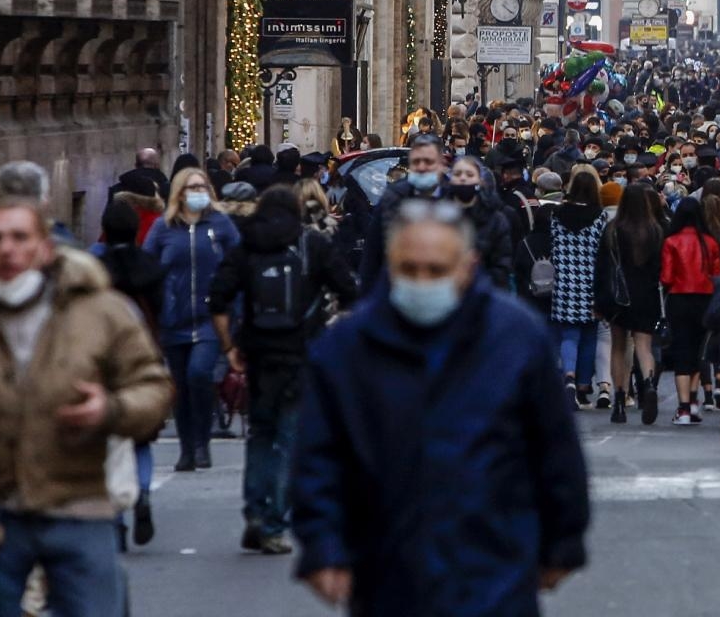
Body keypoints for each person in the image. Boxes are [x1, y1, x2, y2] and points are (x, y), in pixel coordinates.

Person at [291, 200, 589, 616]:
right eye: (409, 269)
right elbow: (318, 455)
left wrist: (563, 540)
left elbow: (554, 445)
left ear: (468, 265)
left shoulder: (516, 339)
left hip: (494, 565)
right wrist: (322, 546)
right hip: (387, 570)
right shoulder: (348, 349)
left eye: (436, 270)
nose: (422, 282)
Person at [0, 197, 173, 617]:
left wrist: (112, 409)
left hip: (79, 504)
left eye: (20, 237)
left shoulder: (99, 313)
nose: (7, 248)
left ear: (46, 248)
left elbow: (152, 388)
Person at [209, 186, 358, 555]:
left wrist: (229, 347)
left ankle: (255, 511)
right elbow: (350, 290)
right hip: (302, 354)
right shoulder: (311, 245)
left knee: (260, 434)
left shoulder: (247, 245)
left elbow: (218, 298)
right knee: (290, 441)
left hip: (257, 354)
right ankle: (275, 521)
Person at [143, 167, 241, 471]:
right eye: (192, 187)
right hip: (175, 319)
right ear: (180, 193)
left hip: (211, 319)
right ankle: (187, 447)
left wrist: (234, 307)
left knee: (200, 374)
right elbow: (149, 268)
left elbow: (238, 265)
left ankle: (202, 442)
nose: (199, 192)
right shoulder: (163, 228)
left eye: (203, 187)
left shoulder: (221, 224)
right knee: (181, 384)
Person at [90, 199, 167, 549]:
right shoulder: (150, 266)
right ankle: (145, 494)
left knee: (111, 438)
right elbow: (164, 310)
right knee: (142, 435)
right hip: (143, 356)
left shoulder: (94, 269)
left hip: (103, 360)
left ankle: (116, 519)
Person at [595, 182, 664, 423]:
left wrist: (598, 300)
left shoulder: (613, 230)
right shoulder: (654, 230)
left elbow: (602, 267)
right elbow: (659, 268)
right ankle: (649, 384)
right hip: (646, 294)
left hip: (618, 296)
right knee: (644, 346)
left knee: (618, 346)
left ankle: (620, 400)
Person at [660, 197, 720, 426]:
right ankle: (694, 402)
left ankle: (683, 407)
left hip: (679, 298)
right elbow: (718, 275)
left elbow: (666, 276)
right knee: (699, 351)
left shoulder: (671, 241)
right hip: (705, 298)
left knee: (682, 351)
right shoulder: (710, 242)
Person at [359, 134, 449, 290]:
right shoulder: (393, 198)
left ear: (441, 164)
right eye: (416, 162)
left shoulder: (454, 198)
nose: (422, 167)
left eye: (428, 162)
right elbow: (373, 254)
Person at [550, 171, 608, 407]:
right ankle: (584, 385)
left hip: (563, 280)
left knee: (569, 334)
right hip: (590, 279)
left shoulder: (556, 214)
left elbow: (552, 242)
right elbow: (602, 251)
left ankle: (569, 376)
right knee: (590, 334)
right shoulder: (600, 216)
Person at [448, 156, 514, 288]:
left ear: (480, 181)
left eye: (469, 174)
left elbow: (502, 262)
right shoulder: (439, 214)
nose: (463, 178)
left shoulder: (495, 219)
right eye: (457, 174)